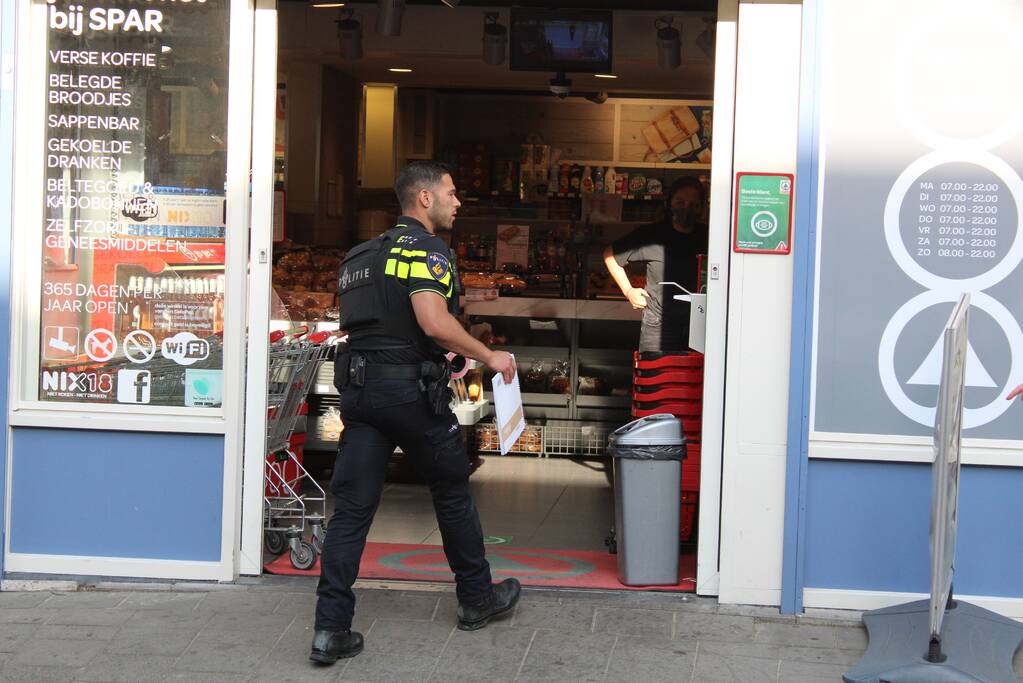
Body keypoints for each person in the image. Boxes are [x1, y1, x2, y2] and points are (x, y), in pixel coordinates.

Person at [310, 161, 521, 665]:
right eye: (451, 192)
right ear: (424, 199)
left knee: (353, 509)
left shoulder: (359, 256)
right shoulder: (428, 250)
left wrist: (440, 353)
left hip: (360, 394)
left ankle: (329, 629)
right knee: (451, 492)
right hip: (408, 396)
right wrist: (488, 355)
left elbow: (383, 327)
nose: (457, 201)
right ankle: (476, 599)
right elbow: (432, 321)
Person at [603, 177, 709, 354]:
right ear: (669, 204)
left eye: (693, 205)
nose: (686, 209)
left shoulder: (710, 236)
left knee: (695, 380)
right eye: (680, 202)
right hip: (658, 325)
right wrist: (629, 291)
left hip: (700, 323)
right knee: (657, 377)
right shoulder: (652, 234)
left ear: (701, 208)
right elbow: (610, 254)